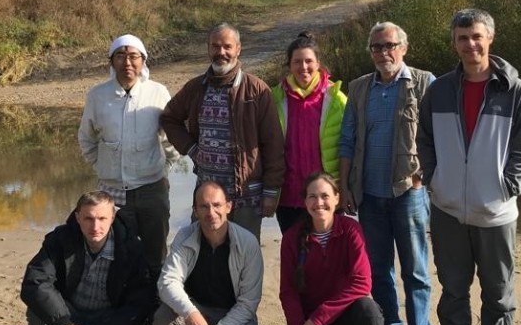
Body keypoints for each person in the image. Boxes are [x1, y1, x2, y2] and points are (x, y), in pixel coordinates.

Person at [418, 8, 521, 325]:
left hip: (496, 212)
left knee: (498, 294)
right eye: (462, 38)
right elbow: (426, 142)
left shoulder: (513, 90)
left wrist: (509, 185)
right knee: (452, 290)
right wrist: (436, 180)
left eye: (476, 36)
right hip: (449, 209)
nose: (470, 44)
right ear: (454, 43)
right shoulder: (438, 91)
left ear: (490, 39)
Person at [338, 21, 436, 325]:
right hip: (369, 196)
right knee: (378, 271)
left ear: (404, 47)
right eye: (377, 47)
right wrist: (346, 185)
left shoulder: (425, 83)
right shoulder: (359, 88)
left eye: (389, 45)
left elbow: (438, 135)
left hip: (408, 193)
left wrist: (423, 176)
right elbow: (347, 139)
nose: (383, 53)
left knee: (416, 270)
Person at [20, 191, 156, 325]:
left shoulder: (132, 247)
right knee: (37, 311)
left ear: (112, 217)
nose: (95, 226)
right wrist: (65, 324)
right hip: (72, 313)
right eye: (88, 218)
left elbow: (139, 303)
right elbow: (35, 281)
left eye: (102, 219)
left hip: (111, 316)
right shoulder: (60, 239)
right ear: (77, 217)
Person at [280, 172, 392, 325]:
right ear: (304, 202)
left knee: (370, 311)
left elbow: (362, 283)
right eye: (312, 197)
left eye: (325, 196)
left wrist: (316, 320)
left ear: (337, 198)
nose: (319, 202)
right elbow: (288, 292)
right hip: (309, 323)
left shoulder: (351, 230)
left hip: (341, 317)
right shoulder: (291, 238)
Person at [160, 23, 284, 240]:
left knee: (244, 259)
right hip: (206, 195)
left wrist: (271, 192)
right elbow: (169, 118)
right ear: (208, 48)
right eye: (215, 46)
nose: (221, 52)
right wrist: (191, 148)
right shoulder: (195, 88)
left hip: (246, 197)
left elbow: (273, 144)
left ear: (238, 49)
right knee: (203, 256)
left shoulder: (257, 90)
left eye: (227, 46)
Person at [154, 182, 267, 325]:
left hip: (233, 313)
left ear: (229, 206)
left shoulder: (248, 243)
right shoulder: (184, 237)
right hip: (196, 309)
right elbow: (166, 282)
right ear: (195, 211)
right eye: (203, 207)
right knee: (163, 318)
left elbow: (248, 304)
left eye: (217, 205)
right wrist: (191, 314)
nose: (211, 212)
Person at [78, 34, 177, 278]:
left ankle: (156, 303)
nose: (127, 63)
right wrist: (102, 166)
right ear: (111, 62)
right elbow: (86, 138)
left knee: (156, 252)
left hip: (152, 187)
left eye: (134, 56)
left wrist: (163, 170)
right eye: (120, 56)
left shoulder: (157, 92)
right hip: (111, 190)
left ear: (143, 61)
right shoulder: (98, 96)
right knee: (117, 251)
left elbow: (171, 138)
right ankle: (121, 306)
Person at [270, 32, 347, 233]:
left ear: (318, 63)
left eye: (308, 61)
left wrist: (346, 188)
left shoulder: (337, 99)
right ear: (289, 65)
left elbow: (350, 147)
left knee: (327, 257)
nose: (303, 67)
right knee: (295, 257)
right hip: (289, 198)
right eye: (297, 62)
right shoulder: (274, 99)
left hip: (326, 197)